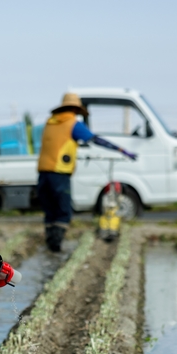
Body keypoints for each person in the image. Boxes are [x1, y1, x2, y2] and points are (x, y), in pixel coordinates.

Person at [37, 93, 136, 252]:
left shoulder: (50, 123)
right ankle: (56, 248)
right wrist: (121, 149)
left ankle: (50, 246)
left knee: (50, 212)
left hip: (43, 173)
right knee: (63, 211)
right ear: (75, 109)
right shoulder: (73, 124)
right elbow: (95, 139)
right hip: (59, 174)